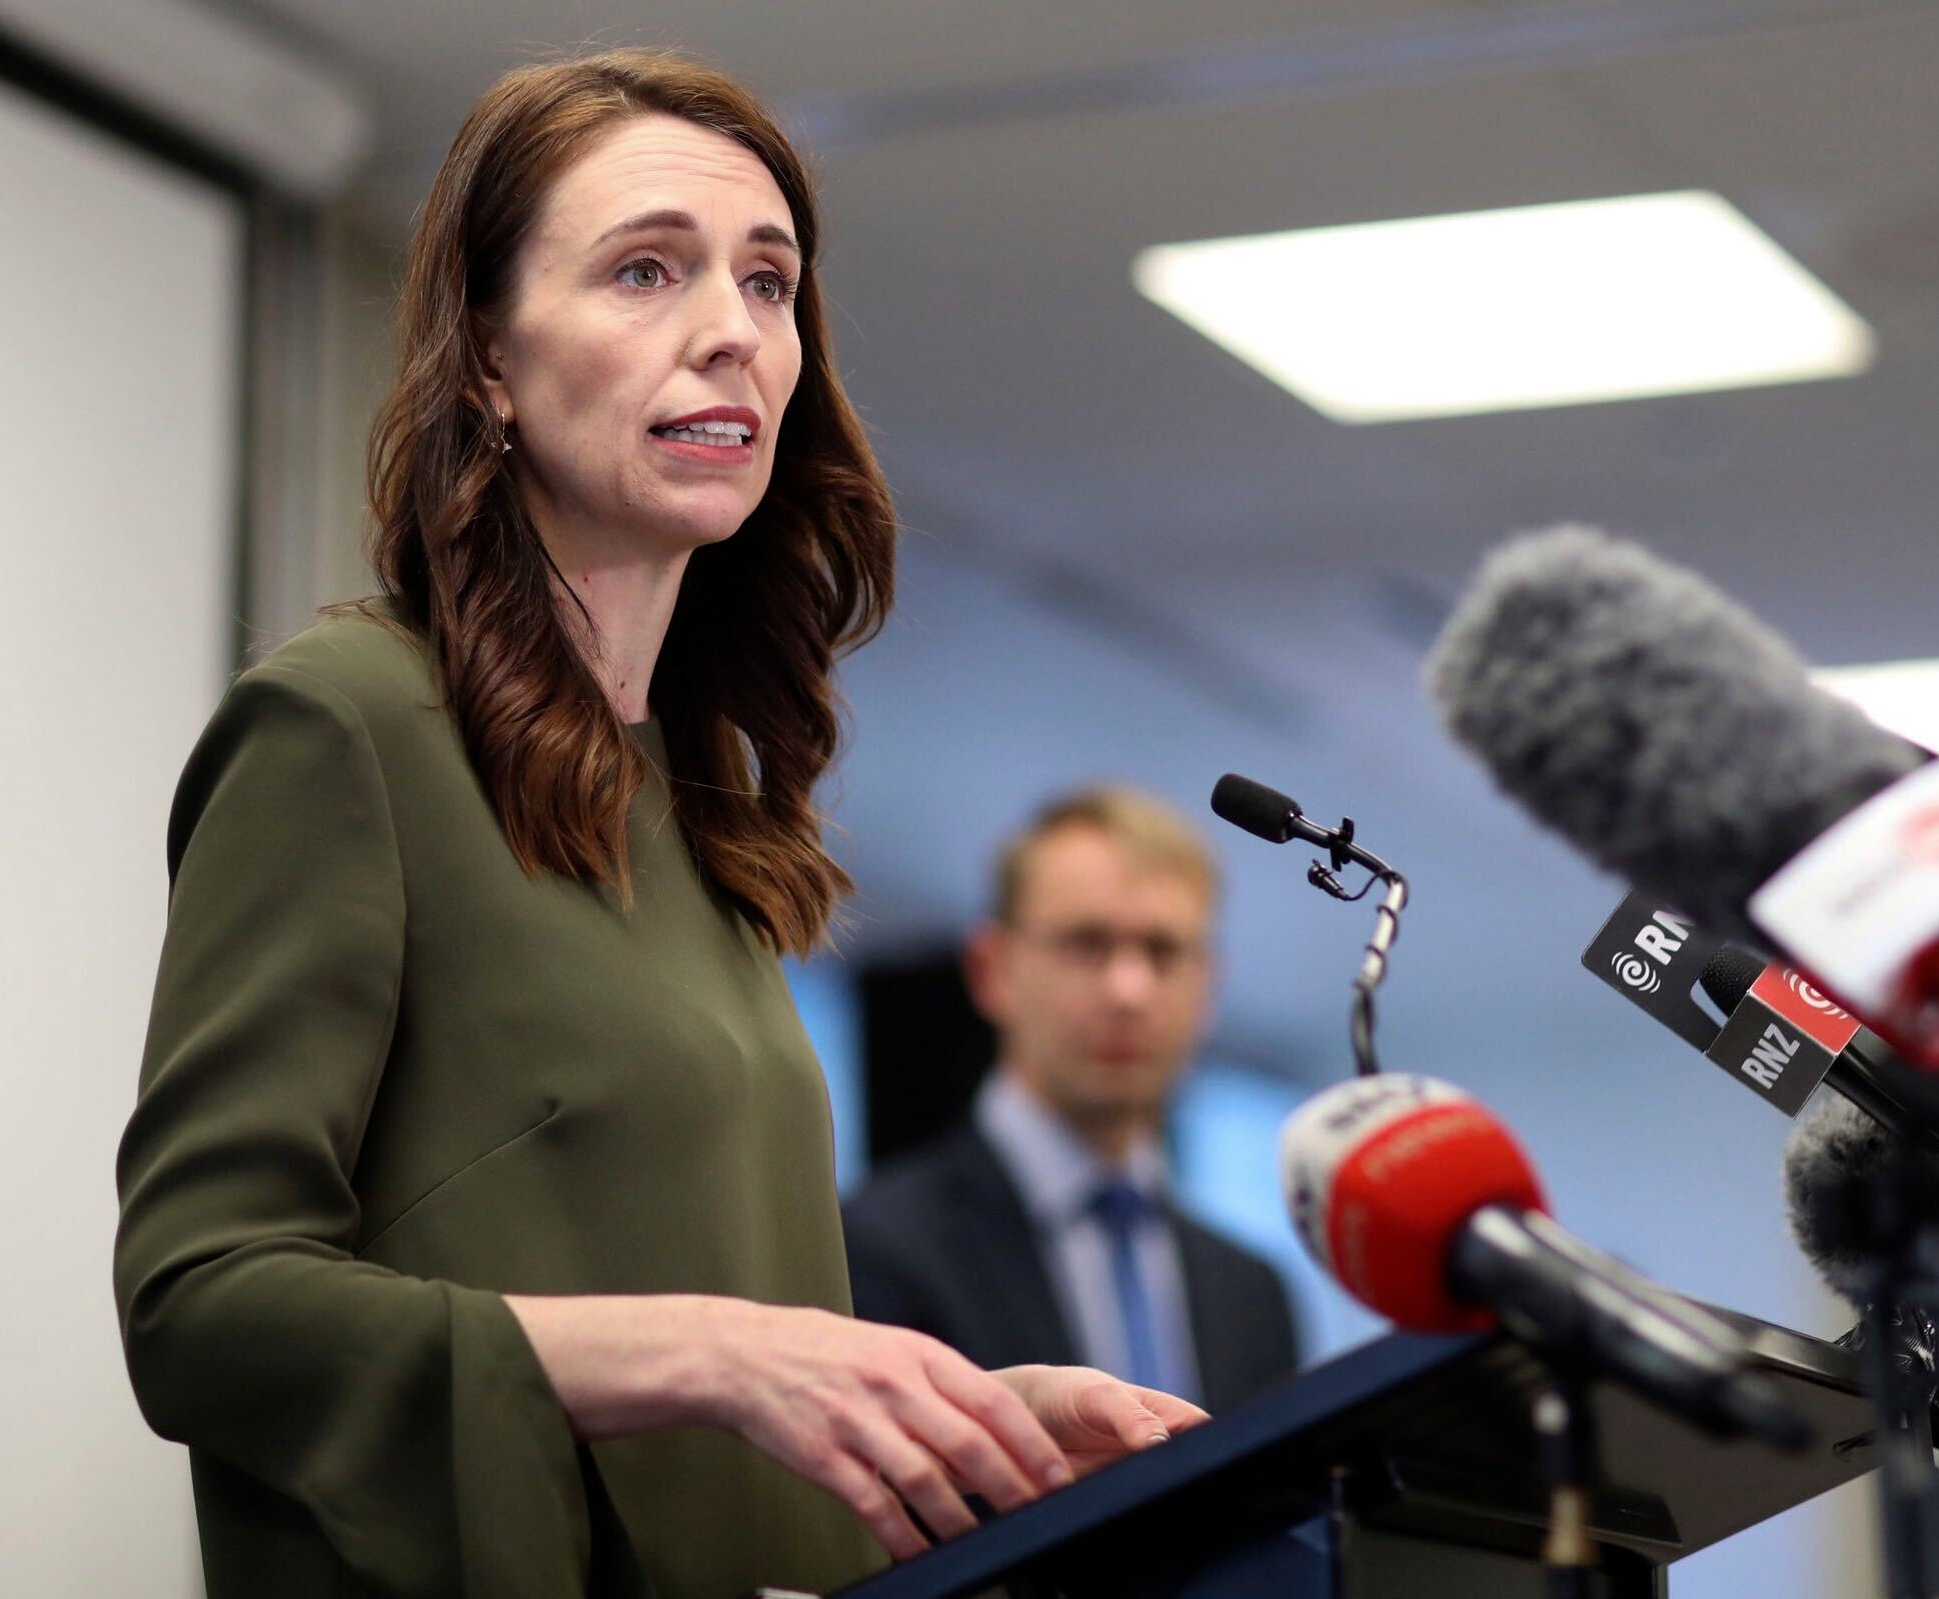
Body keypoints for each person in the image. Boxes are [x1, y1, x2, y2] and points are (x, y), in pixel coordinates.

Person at [111, 50, 1201, 1599]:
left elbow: (722, 1369)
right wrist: (700, 1349)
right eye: (646, 270)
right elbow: (198, 1303)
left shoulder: (713, 815)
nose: (733, 334)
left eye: (771, 283)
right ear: (486, 354)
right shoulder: (349, 720)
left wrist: (967, 1424)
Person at [843, 788, 1300, 1415]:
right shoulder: (873, 1248)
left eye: (1163, 952)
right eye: (1088, 944)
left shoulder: (1250, 1291)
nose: (1129, 991)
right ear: (992, 970)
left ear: (1207, 989)